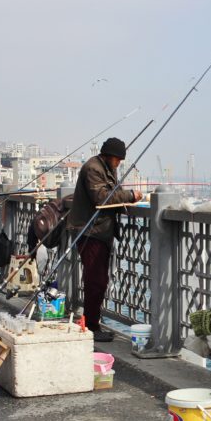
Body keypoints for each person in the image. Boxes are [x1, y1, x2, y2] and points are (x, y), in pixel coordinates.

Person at [65, 137, 142, 342]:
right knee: (95, 281)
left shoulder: (107, 168)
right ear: (110, 156)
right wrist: (130, 195)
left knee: (99, 280)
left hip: (101, 232)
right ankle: (90, 326)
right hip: (90, 232)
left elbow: (111, 194)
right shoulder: (93, 168)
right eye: (118, 160)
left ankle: (92, 322)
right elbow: (102, 197)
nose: (119, 164)